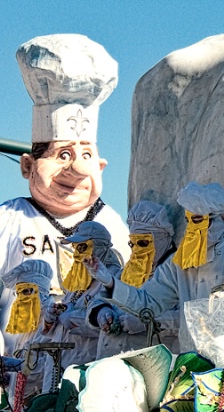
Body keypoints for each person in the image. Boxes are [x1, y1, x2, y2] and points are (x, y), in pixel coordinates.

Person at [1, 34, 130, 353]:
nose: (77, 170)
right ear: (28, 166)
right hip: (17, 368)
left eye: (86, 156)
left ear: (101, 166)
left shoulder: (111, 224)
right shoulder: (9, 219)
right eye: (62, 156)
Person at [87, 182, 224, 353]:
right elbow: (148, 301)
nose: (194, 230)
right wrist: (109, 281)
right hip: (191, 358)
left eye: (199, 221)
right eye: (189, 221)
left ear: (223, 219)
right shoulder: (178, 263)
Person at [91, 200, 180, 357]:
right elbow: (99, 299)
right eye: (132, 244)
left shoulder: (176, 273)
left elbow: (190, 317)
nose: (137, 249)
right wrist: (102, 313)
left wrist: (149, 323)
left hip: (148, 362)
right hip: (109, 362)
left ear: (161, 238)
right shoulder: (127, 271)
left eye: (143, 243)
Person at [42, 221, 123, 371]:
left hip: (86, 367)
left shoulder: (114, 279)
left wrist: (73, 318)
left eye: (82, 247)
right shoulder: (78, 281)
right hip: (59, 366)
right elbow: (57, 330)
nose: (77, 254)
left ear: (98, 247)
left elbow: (112, 325)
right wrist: (51, 317)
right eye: (75, 248)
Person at [1, 260, 55, 406]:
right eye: (18, 293)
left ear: (40, 290)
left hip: (42, 403)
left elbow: (52, 367)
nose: (21, 298)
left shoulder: (54, 320)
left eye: (26, 291)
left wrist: (16, 365)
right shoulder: (28, 322)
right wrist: (8, 375)